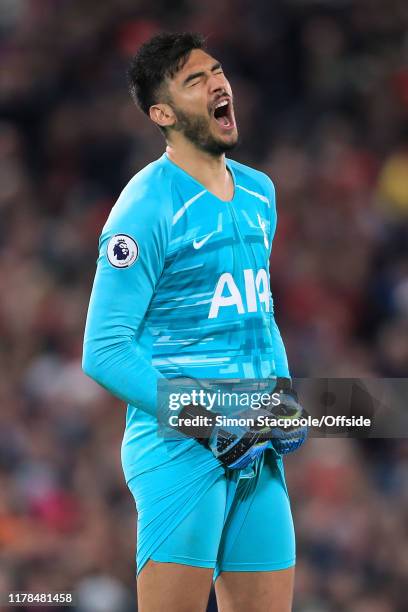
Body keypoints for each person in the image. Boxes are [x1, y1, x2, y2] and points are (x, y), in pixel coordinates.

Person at [83, 32, 303, 612]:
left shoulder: (260, 193)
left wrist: (282, 391)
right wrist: (207, 416)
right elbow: (103, 350)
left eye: (217, 71)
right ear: (162, 113)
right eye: (194, 81)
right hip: (181, 447)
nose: (217, 84)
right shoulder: (144, 206)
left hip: (255, 441)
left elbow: (258, 308)